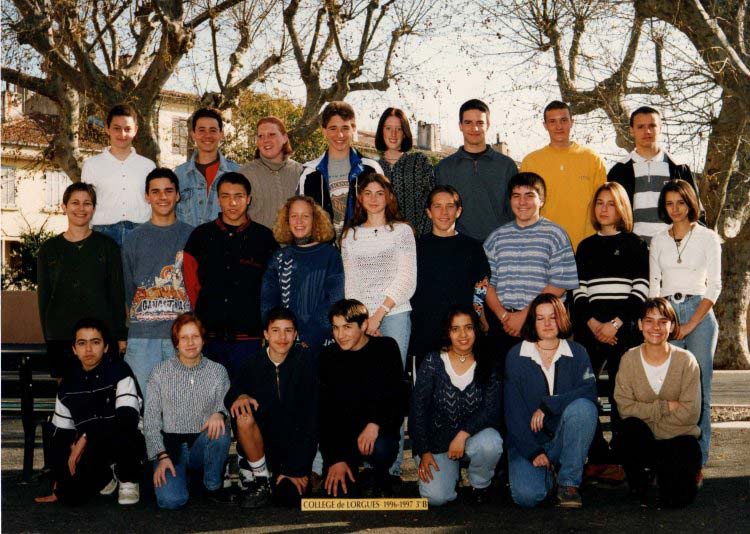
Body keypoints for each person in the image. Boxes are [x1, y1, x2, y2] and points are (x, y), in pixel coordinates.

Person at [573, 182, 649, 480]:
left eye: (611, 203)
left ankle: (621, 457)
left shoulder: (635, 244)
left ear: (622, 208)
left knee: (623, 393)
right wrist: (594, 325)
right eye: (600, 203)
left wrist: (614, 324)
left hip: (623, 331)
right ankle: (597, 455)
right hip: (590, 330)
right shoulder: (585, 246)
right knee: (583, 390)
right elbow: (579, 292)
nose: (604, 209)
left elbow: (640, 291)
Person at [649, 179, 721, 470]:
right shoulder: (658, 240)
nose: (675, 209)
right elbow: (654, 286)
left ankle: (697, 462)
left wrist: (690, 324)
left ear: (691, 203)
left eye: (680, 202)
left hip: (699, 313)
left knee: (700, 389)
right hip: (666, 313)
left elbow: (714, 286)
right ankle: (668, 459)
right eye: (669, 203)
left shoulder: (708, 238)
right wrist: (660, 322)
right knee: (668, 389)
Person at [504, 294, 599, 509]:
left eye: (553, 317)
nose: (547, 323)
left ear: (562, 318)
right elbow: (513, 412)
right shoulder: (516, 356)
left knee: (584, 408)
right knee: (528, 497)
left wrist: (549, 405)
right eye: (540, 318)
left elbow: (589, 391)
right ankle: (548, 475)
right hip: (528, 442)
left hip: (562, 440)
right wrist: (533, 451)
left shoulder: (577, 352)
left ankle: (568, 483)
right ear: (533, 322)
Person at [39, 318, 144, 506]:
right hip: (96, 446)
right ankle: (107, 475)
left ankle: (128, 477)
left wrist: (85, 437)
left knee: (124, 435)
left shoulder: (120, 371)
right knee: (69, 497)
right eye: (82, 343)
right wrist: (59, 479)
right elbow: (60, 435)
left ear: (105, 347)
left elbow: (126, 420)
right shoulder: (67, 385)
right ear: (74, 349)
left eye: (95, 342)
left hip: (127, 441)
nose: (88, 349)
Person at [183, 172, 278, 377]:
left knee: (246, 393)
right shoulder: (200, 236)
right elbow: (191, 285)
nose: (232, 203)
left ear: (248, 199)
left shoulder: (265, 238)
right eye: (225, 196)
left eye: (238, 196)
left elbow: (272, 288)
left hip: (249, 338)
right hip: (209, 337)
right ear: (218, 199)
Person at [483, 172, 579, 372]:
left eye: (529, 195)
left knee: (542, 382)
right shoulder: (496, 238)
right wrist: (504, 316)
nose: (522, 202)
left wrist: (525, 316)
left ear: (541, 200)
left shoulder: (556, 235)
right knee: (503, 382)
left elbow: (559, 284)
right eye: (516, 196)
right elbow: (487, 284)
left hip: (543, 326)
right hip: (503, 325)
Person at [225, 308, 318, 508]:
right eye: (275, 331)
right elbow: (231, 394)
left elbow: (311, 420)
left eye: (288, 331)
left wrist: (297, 469)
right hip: (262, 448)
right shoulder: (251, 363)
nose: (282, 337)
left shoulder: (306, 362)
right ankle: (261, 479)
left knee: (287, 498)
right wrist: (240, 395)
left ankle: (278, 480)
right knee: (242, 412)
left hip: (293, 451)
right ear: (266, 334)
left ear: (295, 334)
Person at [613, 298, 702, 507]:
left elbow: (690, 413)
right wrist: (664, 406)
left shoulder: (686, 361)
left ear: (672, 326)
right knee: (629, 429)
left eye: (663, 322)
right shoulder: (629, 359)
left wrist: (651, 421)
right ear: (640, 324)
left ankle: (669, 475)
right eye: (649, 321)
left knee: (676, 501)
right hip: (643, 441)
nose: (656, 327)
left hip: (677, 441)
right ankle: (642, 481)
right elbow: (625, 408)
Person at [410, 306, 502, 506]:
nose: (463, 335)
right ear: (447, 333)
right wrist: (424, 451)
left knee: (491, 443)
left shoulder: (488, 361)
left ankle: (480, 484)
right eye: (455, 329)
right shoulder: (433, 362)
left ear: (476, 330)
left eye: (468, 327)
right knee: (435, 498)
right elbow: (418, 410)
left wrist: (462, 434)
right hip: (437, 442)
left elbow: (491, 409)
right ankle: (451, 475)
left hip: (473, 437)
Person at [37, 182, 127, 379]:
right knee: (67, 394)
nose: (81, 208)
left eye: (87, 203)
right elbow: (43, 298)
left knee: (104, 391)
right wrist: (49, 337)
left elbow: (117, 294)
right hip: (61, 336)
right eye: (75, 203)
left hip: (101, 336)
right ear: (64, 207)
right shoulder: (49, 249)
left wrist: (121, 335)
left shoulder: (108, 247)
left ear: (93, 209)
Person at [318, 299, 406, 497]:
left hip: (377, 435)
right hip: (344, 438)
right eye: (336, 328)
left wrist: (375, 423)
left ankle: (380, 474)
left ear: (364, 325)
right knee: (337, 494)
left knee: (381, 449)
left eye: (347, 327)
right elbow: (325, 414)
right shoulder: (328, 357)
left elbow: (397, 399)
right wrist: (336, 459)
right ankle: (359, 476)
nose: (340, 335)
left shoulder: (386, 348)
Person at [145, 313, 233, 509]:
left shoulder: (218, 371)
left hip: (202, 445)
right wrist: (161, 455)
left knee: (220, 429)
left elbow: (226, 405)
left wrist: (219, 413)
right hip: (171, 449)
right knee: (171, 501)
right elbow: (150, 420)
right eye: (184, 338)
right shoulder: (159, 373)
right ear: (176, 343)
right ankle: (185, 478)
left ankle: (212, 486)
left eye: (195, 336)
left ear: (203, 339)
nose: (190, 343)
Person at [122, 168, 193, 396]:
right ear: (147, 196)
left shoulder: (193, 236)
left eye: (168, 191)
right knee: (143, 403)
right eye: (156, 192)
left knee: (181, 403)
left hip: (182, 336)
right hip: (143, 337)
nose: (162, 197)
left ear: (178, 195)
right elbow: (127, 290)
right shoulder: (133, 239)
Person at [340, 173, 417, 366]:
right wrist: (363, 320)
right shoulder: (350, 236)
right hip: (362, 320)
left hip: (395, 313)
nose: (373, 199)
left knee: (392, 374)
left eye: (379, 193)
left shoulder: (402, 231)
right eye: (368, 193)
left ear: (389, 197)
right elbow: (351, 284)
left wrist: (378, 315)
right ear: (360, 198)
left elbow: (407, 279)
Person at [410, 185, 490, 369]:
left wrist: (479, 318)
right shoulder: (415, 247)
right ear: (429, 212)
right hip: (425, 330)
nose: (444, 212)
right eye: (437, 206)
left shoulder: (472, 247)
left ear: (459, 211)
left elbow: (481, 286)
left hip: (462, 332)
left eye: (450, 206)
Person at [261, 195, 344, 354]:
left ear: (315, 220)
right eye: (294, 216)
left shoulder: (330, 255)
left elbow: (335, 299)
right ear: (287, 220)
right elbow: (268, 302)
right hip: (285, 343)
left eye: (305, 216)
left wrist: (311, 334)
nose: (299, 221)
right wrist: (278, 334)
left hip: (321, 341)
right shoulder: (279, 257)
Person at [520, 100, 607, 251]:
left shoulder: (592, 159)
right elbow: (524, 208)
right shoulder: (531, 162)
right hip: (544, 246)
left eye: (564, 120)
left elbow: (603, 206)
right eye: (552, 121)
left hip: (587, 246)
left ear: (572, 122)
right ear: (545, 125)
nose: (559, 126)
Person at [608, 106, 702, 243]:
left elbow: (697, 212)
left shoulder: (679, 168)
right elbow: (612, 217)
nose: (647, 131)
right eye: (640, 127)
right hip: (633, 249)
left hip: (674, 246)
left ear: (660, 128)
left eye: (652, 126)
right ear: (631, 130)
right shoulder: (619, 171)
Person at [434, 99, 517, 242]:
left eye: (480, 123)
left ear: (488, 125)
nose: (475, 128)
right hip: (458, 246)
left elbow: (515, 210)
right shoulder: (444, 168)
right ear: (460, 126)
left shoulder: (506, 166)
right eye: (468, 123)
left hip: (500, 245)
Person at [298, 101, 384, 236]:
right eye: (333, 128)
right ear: (324, 131)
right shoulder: (310, 173)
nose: (340, 135)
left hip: (363, 244)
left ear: (353, 129)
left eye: (345, 128)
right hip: (323, 247)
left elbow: (384, 213)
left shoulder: (371, 169)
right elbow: (302, 216)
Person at [81, 103, 155, 247]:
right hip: (102, 234)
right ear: (107, 129)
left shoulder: (148, 166)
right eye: (116, 128)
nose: (122, 134)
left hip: (141, 233)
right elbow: (85, 204)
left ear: (135, 130)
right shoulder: (91, 165)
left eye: (127, 129)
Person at [175, 108, 241, 227]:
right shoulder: (179, 175)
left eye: (213, 130)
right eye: (202, 130)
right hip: (188, 239)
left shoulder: (237, 172)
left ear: (221, 134)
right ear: (193, 134)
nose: (207, 135)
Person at [375, 107, 434, 235]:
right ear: (381, 131)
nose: (393, 134)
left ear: (405, 133)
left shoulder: (419, 162)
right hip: (382, 240)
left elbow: (431, 202)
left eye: (399, 129)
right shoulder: (373, 168)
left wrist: (420, 237)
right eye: (388, 128)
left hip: (418, 239)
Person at [239, 117, 303, 229]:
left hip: (295, 240)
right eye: (260, 136)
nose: (265, 140)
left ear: (284, 138)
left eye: (272, 134)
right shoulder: (246, 173)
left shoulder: (300, 172)